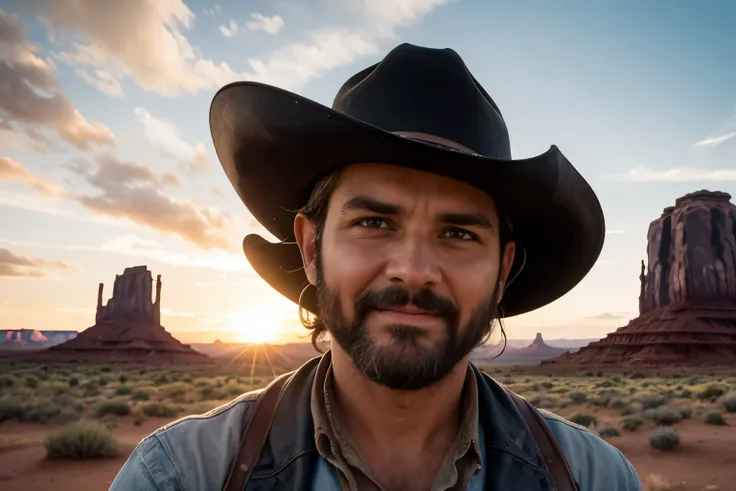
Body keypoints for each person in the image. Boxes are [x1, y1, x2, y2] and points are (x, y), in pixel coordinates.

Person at [110, 43, 641, 491]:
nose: (413, 271)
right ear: (310, 247)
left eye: (458, 234)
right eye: (374, 223)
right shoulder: (180, 477)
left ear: (502, 269)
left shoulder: (594, 479)